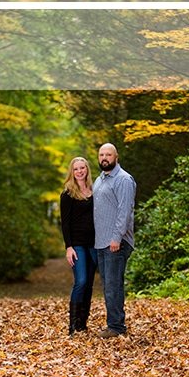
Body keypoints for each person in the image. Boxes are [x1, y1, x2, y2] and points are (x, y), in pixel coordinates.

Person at [93, 142, 137, 339]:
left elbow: (124, 211)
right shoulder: (100, 180)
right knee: (107, 285)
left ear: (116, 157)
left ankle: (117, 327)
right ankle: (113, 324)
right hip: (101, 242)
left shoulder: (123, 179)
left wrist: (116, 238)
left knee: (113, 285)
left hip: (116, 242)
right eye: (101, 154)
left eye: (108, 154)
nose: (104, 158)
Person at [59, 156, 96, 336]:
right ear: (72, 172)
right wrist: (69, 247)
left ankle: (83, 323)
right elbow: (65, 223)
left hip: (95, 244)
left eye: (82, 168)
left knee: (89, 284)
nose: (79, 171)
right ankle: (72, 325)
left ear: (87, 170)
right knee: (80, 281)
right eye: (76, 169)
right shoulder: (67, 194)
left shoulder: (94, 190)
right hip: (78, 245)